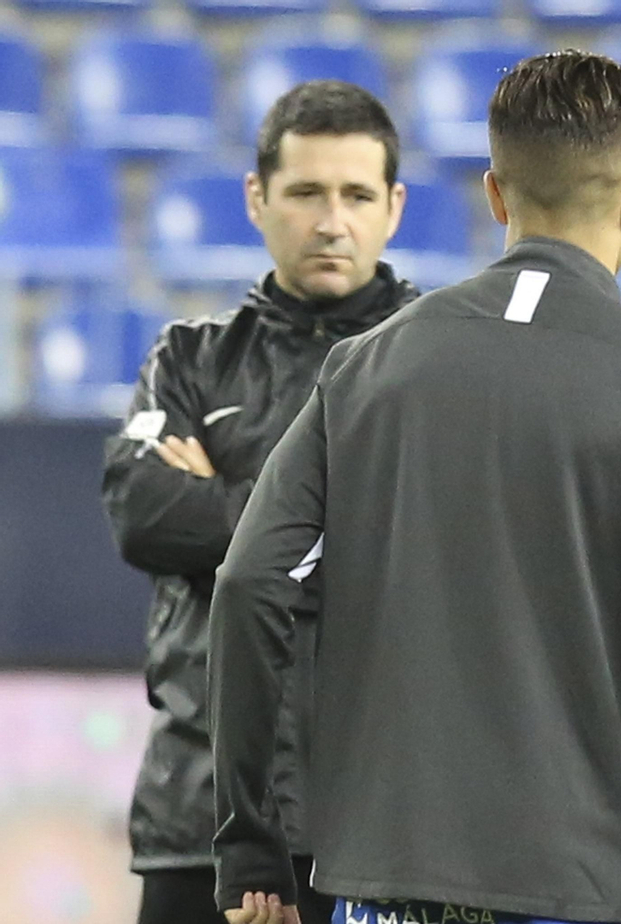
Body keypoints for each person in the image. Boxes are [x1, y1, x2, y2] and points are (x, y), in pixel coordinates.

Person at [207, 50, 621, 924]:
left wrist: (249, 845)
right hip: (581, 882)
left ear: (495, 193)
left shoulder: (363, 366)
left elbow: (247, 587)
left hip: (382, 881)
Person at [101, 80, 416, 924]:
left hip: (384, 818)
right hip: (197, 816)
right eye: (305, 192)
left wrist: (227, 506)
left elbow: (431, 543)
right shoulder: (190, 359)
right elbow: (142, 511)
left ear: (394, 206)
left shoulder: (437, 362)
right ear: (257, 198)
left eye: (355, 195)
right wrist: (341, 525)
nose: (330, 221)